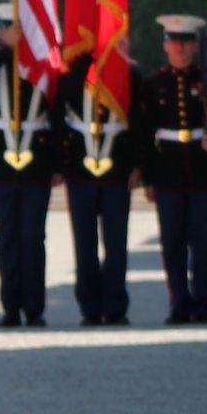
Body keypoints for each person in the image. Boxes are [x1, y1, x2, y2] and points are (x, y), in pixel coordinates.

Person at [134, 15, 207, 324]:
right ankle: (179, 303)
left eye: (185, 42)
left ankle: (203, 303)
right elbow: (145, 135)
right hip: (168, 172)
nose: (179, 48)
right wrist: (148, 177)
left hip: (203, 172)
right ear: (165, 46)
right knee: (172, 244)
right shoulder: (153, 85)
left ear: (195, 46)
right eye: (173, 42)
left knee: (203, 244)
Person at [0, 3, 56, 326]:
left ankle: (34, 308)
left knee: (33, 236)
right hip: (1, 161)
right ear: (1, 30)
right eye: (10, 26)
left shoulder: (43, 63)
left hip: (36, 157)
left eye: (22, 26)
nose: (17, 32)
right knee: (7, 236)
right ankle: (10, 306)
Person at [58, 52, 136, 325]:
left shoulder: (127, 71)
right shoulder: (72, 73)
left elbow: (138, 120)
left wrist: (138, 165)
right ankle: (90, 306)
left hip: (117, 168)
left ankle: (115, 305)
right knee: (84, 242)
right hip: (80, 169)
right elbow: (60, 107)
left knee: (116, 243)